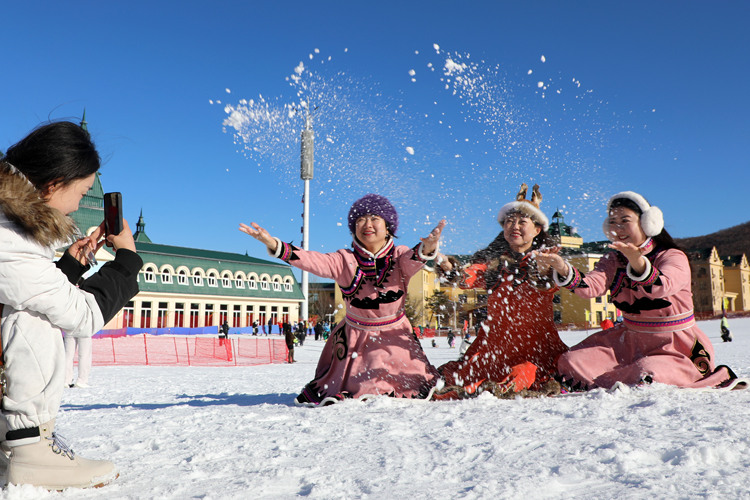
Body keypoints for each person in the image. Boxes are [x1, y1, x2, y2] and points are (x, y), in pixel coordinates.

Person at [0, 121, 142, 489]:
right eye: (81, 191)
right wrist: (126, 259)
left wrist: (67, 268)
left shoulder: (11, 228)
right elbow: (82, 315)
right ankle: (30, 447)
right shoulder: (8, 239)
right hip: (22, 435)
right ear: (54, 184)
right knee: (33, 318)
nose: (81, 202)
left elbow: (26, 284)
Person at [240, 193, 444, 405]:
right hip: (356, 335)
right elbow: (312, 260)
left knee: (407, 386)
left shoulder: (398, 256)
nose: (367, 224)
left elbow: (415, 259)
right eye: (360, 220)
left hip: (395, 332)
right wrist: (275, 244)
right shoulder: (344, 259)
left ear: (388, 226)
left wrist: (428, 247)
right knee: (362, 387)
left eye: (375, 218)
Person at [536, 191, 737, 390]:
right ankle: (621, 377)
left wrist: (637, 262)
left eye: (625, 220)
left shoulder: (672, 256)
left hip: (674, 344)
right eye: (613, 221)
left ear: (647, 223)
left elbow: (663, 286)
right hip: (628, 340)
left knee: (646, 371)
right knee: (571, 361)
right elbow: (591, 287)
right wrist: (562, 267)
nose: (618, 227)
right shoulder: (613, 260)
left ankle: (631, 377)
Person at [433, 183, 568, 400]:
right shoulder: (494, 264)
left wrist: (544, 268)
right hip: (494, 346)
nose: (514, 226)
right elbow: (466, 277)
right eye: (509, 222)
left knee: (523, 374)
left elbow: (550, 281)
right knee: (462, 377)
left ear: (537, 230)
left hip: (533, 346)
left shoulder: (546, 260)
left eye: (522, 222)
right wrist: (447, 265)